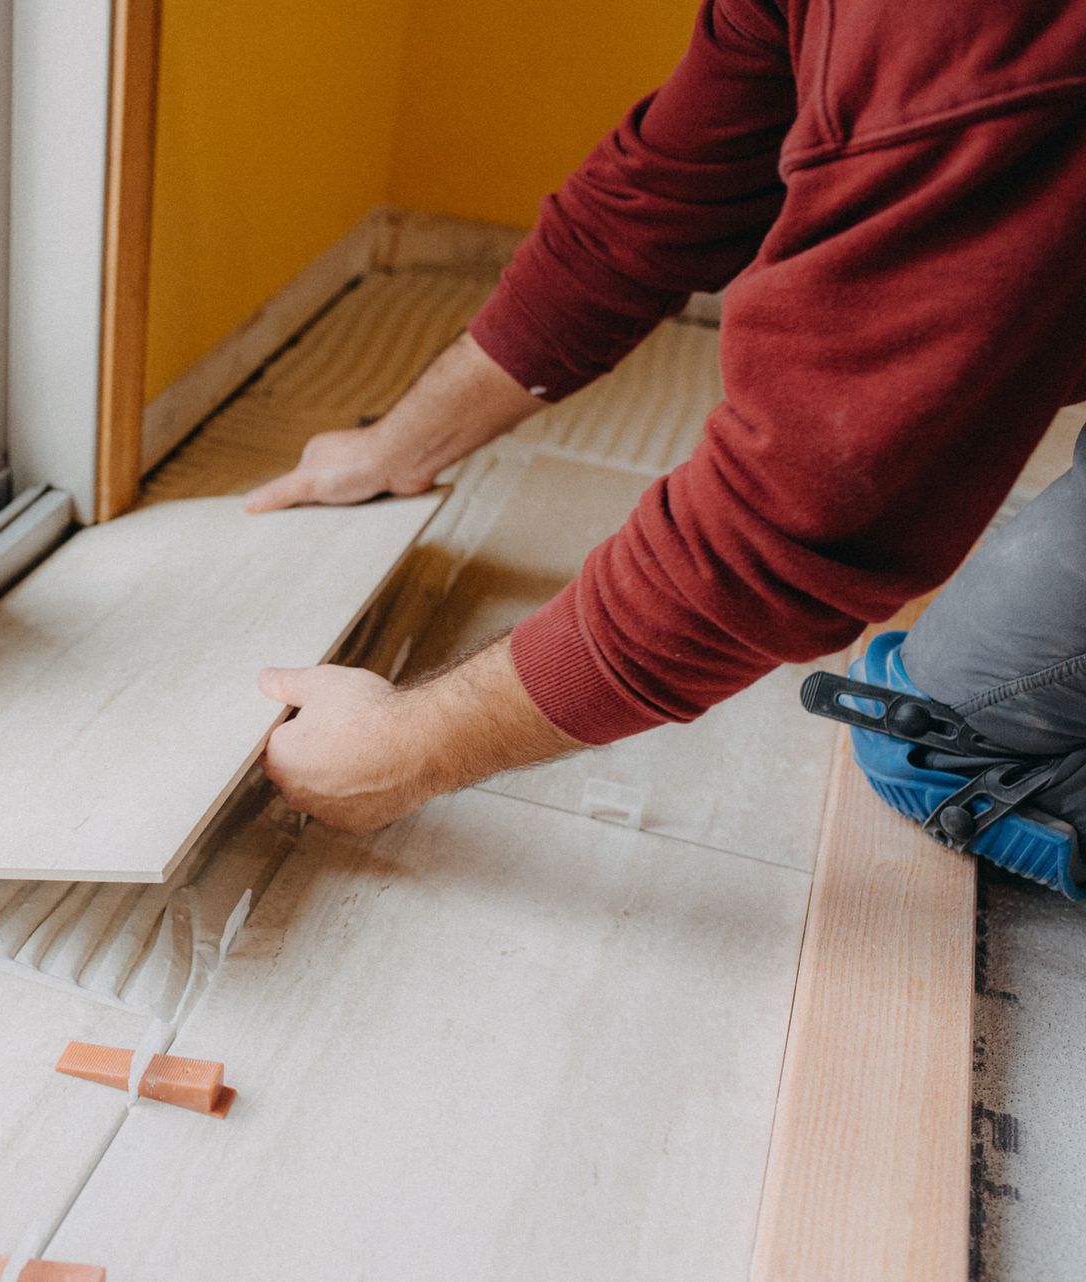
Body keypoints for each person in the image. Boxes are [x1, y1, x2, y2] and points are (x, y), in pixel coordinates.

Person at [248, 0, 1086, 889]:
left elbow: (805, 507)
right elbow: (662, 196)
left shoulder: (969, 37)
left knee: (942, 743)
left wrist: (409, 747)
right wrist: (398, 444)